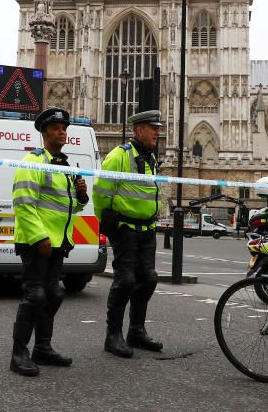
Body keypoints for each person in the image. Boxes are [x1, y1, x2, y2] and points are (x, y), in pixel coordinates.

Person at [9, 107, 89, 377]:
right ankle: (19, 353)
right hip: (37, 242)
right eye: (56, 128)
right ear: (44, 133)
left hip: (58, 242)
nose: (62, 132)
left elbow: (67, 208)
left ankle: (43, 347)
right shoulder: (33, 161)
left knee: (54, 293)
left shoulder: (65, 166)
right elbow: (23, 203)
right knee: (35, 295)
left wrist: (81, 197)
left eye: (64, 128)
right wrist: (39, 236)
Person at [94, 109, 163, 358]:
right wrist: (108, 222)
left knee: (149, 279)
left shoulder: (151, 158)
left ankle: (136, 331)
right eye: (152, 127)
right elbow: (101, 192)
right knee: (125, 281)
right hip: (125, 229)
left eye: (158, 127)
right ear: (138, 130)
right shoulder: (118, 156)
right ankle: (113, 336)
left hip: (147, 230)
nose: (158, 131)